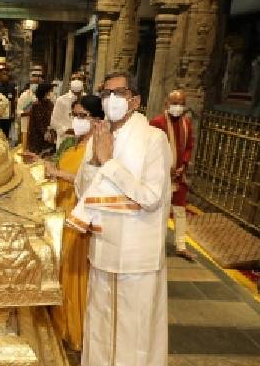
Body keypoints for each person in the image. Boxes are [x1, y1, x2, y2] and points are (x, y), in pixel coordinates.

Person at [69, 72, 171, 366]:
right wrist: (94, 161)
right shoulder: (100, 135)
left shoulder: (154, 139)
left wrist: (109, 163)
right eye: (105, 94)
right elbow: (82, 189)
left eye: (119, 93)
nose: (111, 100)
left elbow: (151, 197)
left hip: (136, 255)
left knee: (133, 332)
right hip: (103, 248)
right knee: (100, 328)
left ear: (135, 101)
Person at [46, 95, 105, 352]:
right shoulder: (75, 143)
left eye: (83, 116)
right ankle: (61, 326)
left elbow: (92, 182)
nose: (77, 120)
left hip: (80, 217)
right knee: (62, 272)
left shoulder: (97, 148)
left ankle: (76, 330)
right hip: (63, 213)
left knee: (75, 275)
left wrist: (57, 173)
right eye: (75, 115)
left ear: (96, 120)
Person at [150, 89, 196, 262]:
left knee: (180, 210)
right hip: (161, 175)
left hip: (178, 175)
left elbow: (189, 146)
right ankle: (156, 244)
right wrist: (164, 166)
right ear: (166, 104)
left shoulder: (186, 123)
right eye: (175, 103)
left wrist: (183, 164)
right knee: (160, 211)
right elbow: (151, 149)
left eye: (182, 104)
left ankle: (181, 246)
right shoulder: (157, 122)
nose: (178, 107)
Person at [50, 78, 85, 148]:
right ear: (70, 90)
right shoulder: (61, 100)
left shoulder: (85, 99)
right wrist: (67, 130)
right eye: (75, 93)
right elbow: (54, 122)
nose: (77, 96)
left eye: (79, 93)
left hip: (81, 140)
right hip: (65, 139)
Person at [26, 82, 56, 156]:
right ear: (45, 92)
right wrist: (45, 133)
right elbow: (38, 122)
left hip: (48, 135)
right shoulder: (36, 105)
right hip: (37, 137)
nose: (52, 93)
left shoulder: (50, 104)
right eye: (50, 91)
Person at [17, 73, 42, 147]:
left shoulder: (41, 95)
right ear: (30, 83)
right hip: (27, 124)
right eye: (33, 82)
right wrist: (28, 112)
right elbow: (19, 111)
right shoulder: (25, 95)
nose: (35, 84)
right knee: (25, 145)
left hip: (38, 127)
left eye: (37, 82)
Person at [0, 67, 16, 138]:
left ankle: (6, 144)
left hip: (8, 112)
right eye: (3, 74)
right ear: (0, 75)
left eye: (6, 74)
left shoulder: (12, 85)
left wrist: (13, 113)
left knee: (7, 132)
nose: (5, 75)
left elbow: (13, 100)